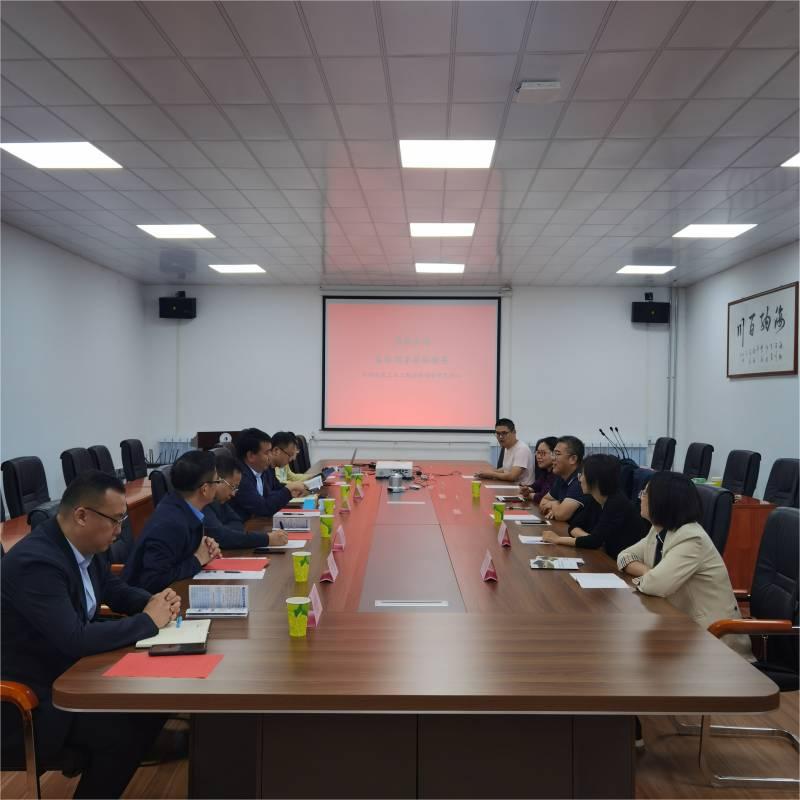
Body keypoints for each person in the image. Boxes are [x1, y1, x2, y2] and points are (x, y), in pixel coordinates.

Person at [1, 471, 180, 799]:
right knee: (124, 731)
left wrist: (154, 602)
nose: (120, 530)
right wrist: (148, 621)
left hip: (72, 673)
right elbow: (74, 639)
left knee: (153, 702)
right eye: (115, 520)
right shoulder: (36, 563)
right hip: (33, 698)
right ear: (81, 515)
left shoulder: (86, 546)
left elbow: (114, 589)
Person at [617, 471, 752, 660]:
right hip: (681, 629)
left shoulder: (691, 537)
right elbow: (624, 557)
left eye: (645, 493)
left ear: (663, 500)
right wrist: (651, 572)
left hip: (715, 642)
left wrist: (652, 576)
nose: (640, 498)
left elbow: (655, 585)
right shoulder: (658, 530)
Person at [123, 451, 222, 593]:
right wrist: (198, 559)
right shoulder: (171, 524)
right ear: (205, 489)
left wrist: (203, 548)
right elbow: (152, 580)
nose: (219, 485)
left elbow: (178, 557)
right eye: (217, 481)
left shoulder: (180, 506)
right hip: (145, 601)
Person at [542, 454, 644, 559]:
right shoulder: (594, 497)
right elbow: (574, 526)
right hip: (607, 556)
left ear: (595, 479)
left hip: (623, 561)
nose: (579, 479)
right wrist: (590, 539)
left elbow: (594, 542)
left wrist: (557, 539)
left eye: (582, 474)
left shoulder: (616, 503)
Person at [203, 453, 288, 548]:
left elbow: (237, 523)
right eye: (232, 486)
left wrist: (227, 532)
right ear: (218, 480)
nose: (233, 493)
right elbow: (222, 537)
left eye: (236, 488)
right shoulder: (203, 504)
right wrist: (268, 539)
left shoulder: (219, 501)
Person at [228, 428, 306, 520]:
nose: (271, 456)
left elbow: (274, 490)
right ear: (251, 456)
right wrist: (288, 490)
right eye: (267, 453)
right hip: (246, 525)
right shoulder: (240, 477)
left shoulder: (262, 469)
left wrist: (292, 490)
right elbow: (262, 508)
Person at [538, 435, 588, 522]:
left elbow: (561, 515)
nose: (552, 458)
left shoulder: (580, 480)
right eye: (553, 453)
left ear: (573, 459)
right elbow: (543, 502)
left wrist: (554, 504)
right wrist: (555, 509)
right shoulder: (562, 477)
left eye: (557, 454)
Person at [475, 418, 534, 484]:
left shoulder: (522, 449)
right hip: (511, 485)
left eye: (504, 433)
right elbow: (506, 469)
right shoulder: (507, 447)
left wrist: (491, 474)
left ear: (514, 432)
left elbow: (512, 476)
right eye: (498, 433)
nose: (500, 437)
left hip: (523, 488)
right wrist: (487, 473)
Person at [520, 436, 557, 503]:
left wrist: (529, 495)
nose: (538, 457)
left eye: (542, 453)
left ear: (554, 454)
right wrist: (528, 489)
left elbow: (544, 497)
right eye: (537, 453)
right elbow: (536, 486)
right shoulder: (545, 471)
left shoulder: (557, 473)